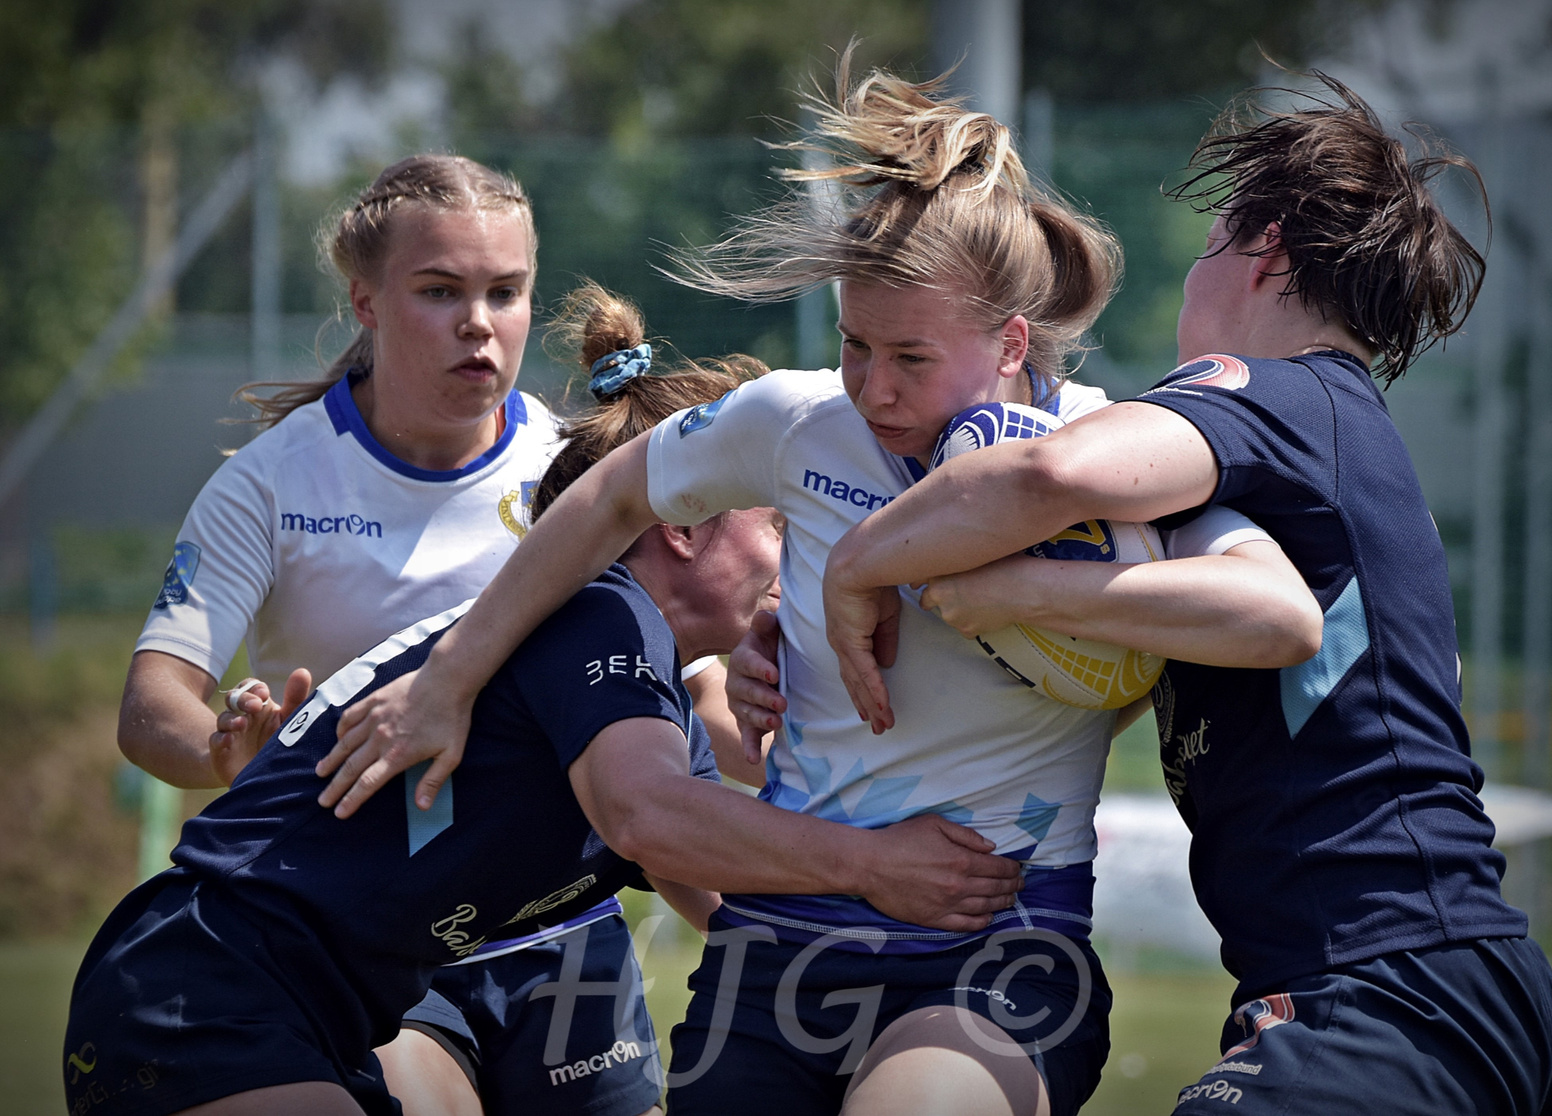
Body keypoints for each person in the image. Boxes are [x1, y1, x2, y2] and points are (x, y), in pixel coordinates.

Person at [316, 58, 1323, 1116]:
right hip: (776, 949)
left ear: (1010, 342)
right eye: (853, 343)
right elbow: (607, 499)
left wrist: (1021, 591)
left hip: (993, 956)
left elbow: (1271, 614)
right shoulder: (799, 423)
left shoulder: (1105, 456)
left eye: (910, 357)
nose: (873, 386)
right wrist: (453, 677)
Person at [805, 75, 1552, 1115]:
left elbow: (1048, 474)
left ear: (1262, 251)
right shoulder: (1329, 446)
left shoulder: (1281, 391)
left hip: (1380, 986)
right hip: (1427, 975)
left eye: (1206, 245)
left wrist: (859, 563)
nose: (1187, 285)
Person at [66, 299, 1022, 1116]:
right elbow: (650, 819)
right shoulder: (597, 617)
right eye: (776, 524)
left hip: (280, 1007)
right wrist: (876, 864)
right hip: (203, 987)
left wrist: (909, 950)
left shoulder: (641, 694)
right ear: (684, 527)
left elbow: (719, 883)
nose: (790, 557)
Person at [113, 155, 744, 1116]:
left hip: (559, 927)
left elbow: (681, 696)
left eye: (507, 291)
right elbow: (152, 703)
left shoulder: (583, 470)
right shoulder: (274, 483)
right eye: (441, 291)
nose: (478, 323)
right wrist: (219, 750)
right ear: (365, 302)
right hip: (377, 927)